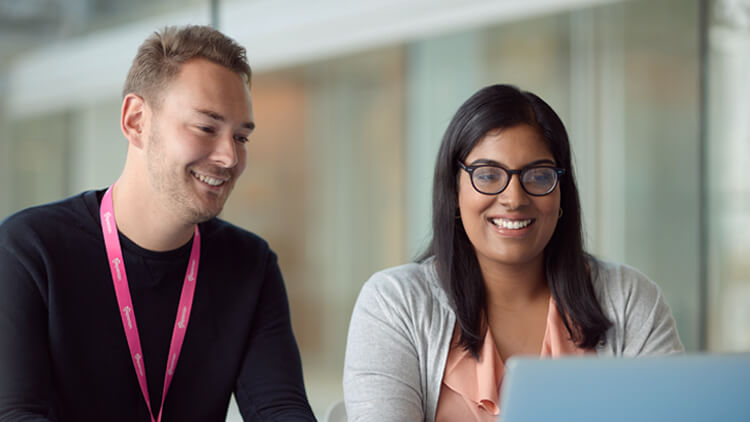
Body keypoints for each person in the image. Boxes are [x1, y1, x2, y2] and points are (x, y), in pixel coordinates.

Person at [0, 25, 315, 421]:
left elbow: (280, 408)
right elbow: (15, 414)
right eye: (206, 128)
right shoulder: (29, 249)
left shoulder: (250, 264)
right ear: (136, 121)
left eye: (241, 138)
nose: (229, 157)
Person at [343, 84, 684, 421]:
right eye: (488, 175)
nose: (515, 198)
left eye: (538, 176)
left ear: (561, 191)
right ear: (454, 189)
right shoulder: (394, 303)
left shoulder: (628, 298)